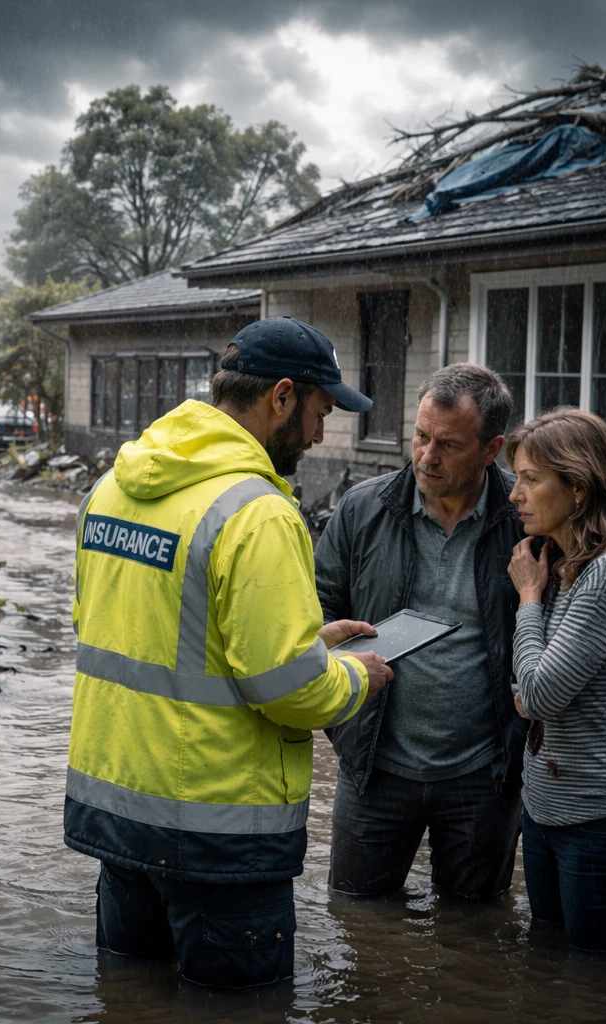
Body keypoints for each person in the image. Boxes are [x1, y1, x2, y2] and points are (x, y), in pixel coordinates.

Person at [64, 316, 394, 989]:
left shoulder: (114, 487)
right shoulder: (257, 511)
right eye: (319, 411)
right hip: (219, 834)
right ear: (280, 397)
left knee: (129, 1000)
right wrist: (354, 680)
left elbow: (118, 630)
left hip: (120, 818)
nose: (321, 433)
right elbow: (289, 693)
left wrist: (307, 645)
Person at [315, 364, 606, 900]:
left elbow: (592, 573)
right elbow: (314, 611)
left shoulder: (529, 517)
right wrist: (340, 713)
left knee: (476, 934)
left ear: (491, 448)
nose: (426, 457)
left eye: (448, 444)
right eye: (420, 436)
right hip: (374, 768)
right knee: (358, 922)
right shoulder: (363, 509)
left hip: (484, 777)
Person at [506, 408, 606, 953]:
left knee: (599, 989)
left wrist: (528, 597)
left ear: (578, 487)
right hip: (551, 813)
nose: (516, 495)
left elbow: (538, 693)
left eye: (531, 480)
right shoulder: (565, 561)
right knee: (551, 976)